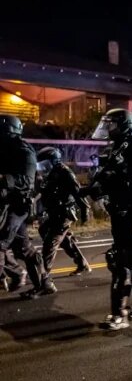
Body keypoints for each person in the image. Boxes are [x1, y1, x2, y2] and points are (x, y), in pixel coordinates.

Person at [83, 109, 132, 330]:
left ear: (125, 125)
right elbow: (107, 177)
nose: (108, 128)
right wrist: (92, 189)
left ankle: (120, 314)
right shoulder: (115, 148)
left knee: (119, 259)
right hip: (119, 210)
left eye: (112, 124)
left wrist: (122, 180)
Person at [0, 115, 57, 299]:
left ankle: (15, 277)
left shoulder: (24, 151)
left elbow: (26, 181)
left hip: (17, 206)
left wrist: (4, 179)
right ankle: (44, 283)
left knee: (1, 243)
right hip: (4, 205)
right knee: (23, 248)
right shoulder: (4, 148)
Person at [31, 147, 91, 277]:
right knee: (46, 231)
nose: (42, 167)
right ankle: (82, 264)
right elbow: (44, 193)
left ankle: (44, 277)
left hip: (64, 213)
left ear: (54, 160)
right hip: (54, 212)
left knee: (50, 243)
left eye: (45, 164)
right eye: (41, 165)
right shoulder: (50, 174)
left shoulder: (65, 173)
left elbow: (77, 192)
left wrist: (85, 210)